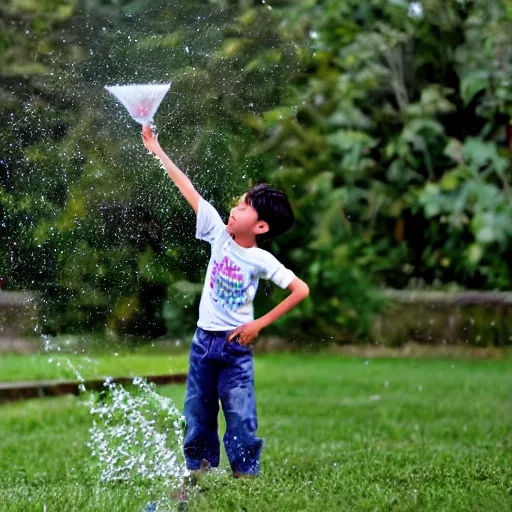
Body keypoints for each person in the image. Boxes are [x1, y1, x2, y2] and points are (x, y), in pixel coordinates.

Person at [141, 125, 309, 479]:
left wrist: (258, 324)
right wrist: (156, 148)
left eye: (245, 207)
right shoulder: (218, 233)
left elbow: (300, 290)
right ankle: (200, 471)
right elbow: (187, 187)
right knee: (198, 412)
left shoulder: (261, 261)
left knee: (240, 415)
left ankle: (245, 474)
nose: (236, 208)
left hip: (235, 348)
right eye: (239, 203)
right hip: (203, 343)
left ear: (260, 227)